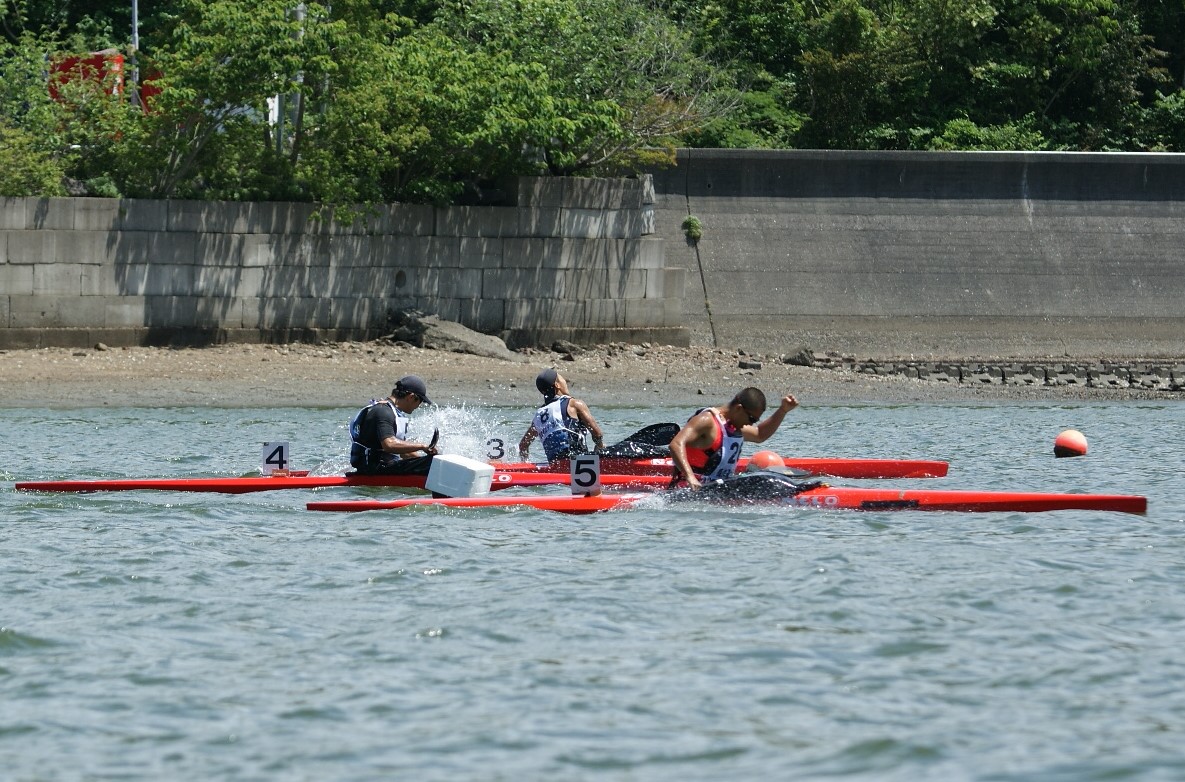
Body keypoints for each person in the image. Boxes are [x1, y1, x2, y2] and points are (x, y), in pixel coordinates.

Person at [668, 387, 799, 489]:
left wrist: (783, 410)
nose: (751, 424)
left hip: (719, 488)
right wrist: (690, 477)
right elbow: (676, 444)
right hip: (689, 491)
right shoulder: (707, 421)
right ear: (738, 409)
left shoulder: (734, 426)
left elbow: (760, 434)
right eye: (752, 419)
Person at [349, 375, 439, 475]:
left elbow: (404, 452)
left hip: (384, 467)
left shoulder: (393, 412)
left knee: (435, 463)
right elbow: (389, 444)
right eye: (420, 401)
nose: (419, 406)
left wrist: (423, 460)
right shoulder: (383, 411)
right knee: (431, 464)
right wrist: (422, 446)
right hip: (374, 471)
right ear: (411, 397)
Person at [518, 368, 605, 462]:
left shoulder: (539, 415)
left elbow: (523, 446)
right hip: (578, 464)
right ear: (557, 385)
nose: (566, 382)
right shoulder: (574, 404)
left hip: (554, 466)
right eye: (563, 379)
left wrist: (525, 463)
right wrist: (599, 448)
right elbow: (597, 434)